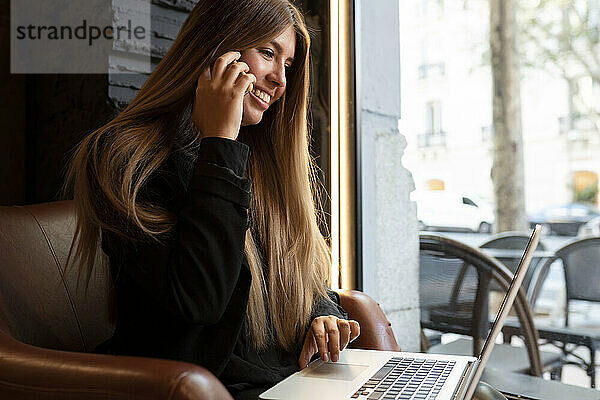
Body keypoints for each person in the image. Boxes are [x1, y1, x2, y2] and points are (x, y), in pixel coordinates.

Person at [67, 0, 360, 398]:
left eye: (287, 66)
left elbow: (296, 268)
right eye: (268, 53)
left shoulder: (258, 159)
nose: (280, 81)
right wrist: (219, 143)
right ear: (216, 47)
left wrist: (320, 313)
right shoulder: (124, 157)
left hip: (293, 382)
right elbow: (200, 299)